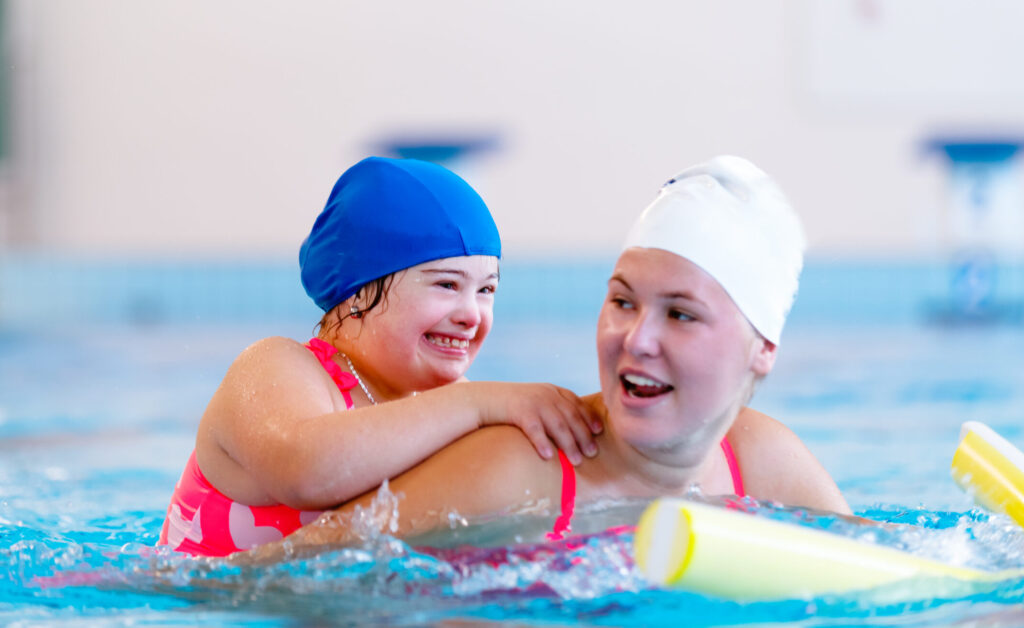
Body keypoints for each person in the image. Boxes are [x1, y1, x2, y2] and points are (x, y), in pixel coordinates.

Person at [252, 155, 851, 558]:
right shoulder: (514, 463)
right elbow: (280, 573)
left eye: (681, 314)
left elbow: (906, 575)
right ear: (358, 292)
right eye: (622, 301)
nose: (638, 339)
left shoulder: (765, 463)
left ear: (763, 351)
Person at [158, 156, 603, 557]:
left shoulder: (452, 406)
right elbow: (305, 472)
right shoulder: (278, 367)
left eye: (486, 290)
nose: (472, 314)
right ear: (356, 293)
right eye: (447, 285)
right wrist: (478, 404)